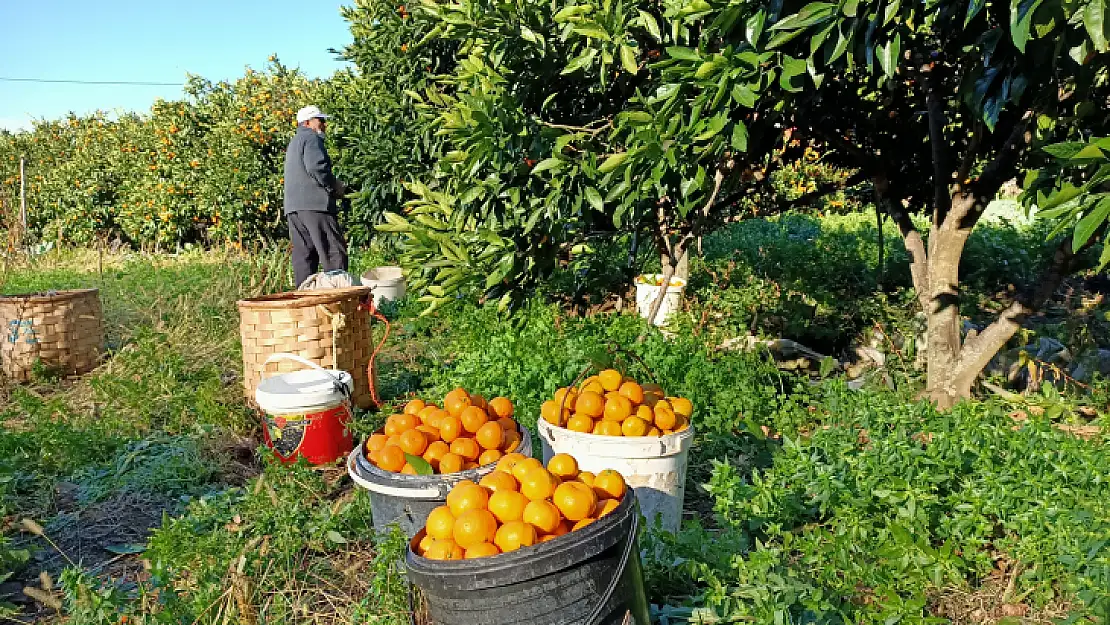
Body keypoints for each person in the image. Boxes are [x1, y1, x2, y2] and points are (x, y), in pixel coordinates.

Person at [284, 105, 350, 288]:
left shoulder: (294, 142)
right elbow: (316, 167)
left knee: (304, 256)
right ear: (307, 123)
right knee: (333, 252)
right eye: (320, 120)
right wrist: (335, 186)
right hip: (315, 206)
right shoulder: (311, 138)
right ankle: (340, 300)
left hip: (294, 209)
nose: (324, 124)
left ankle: (305, 302)